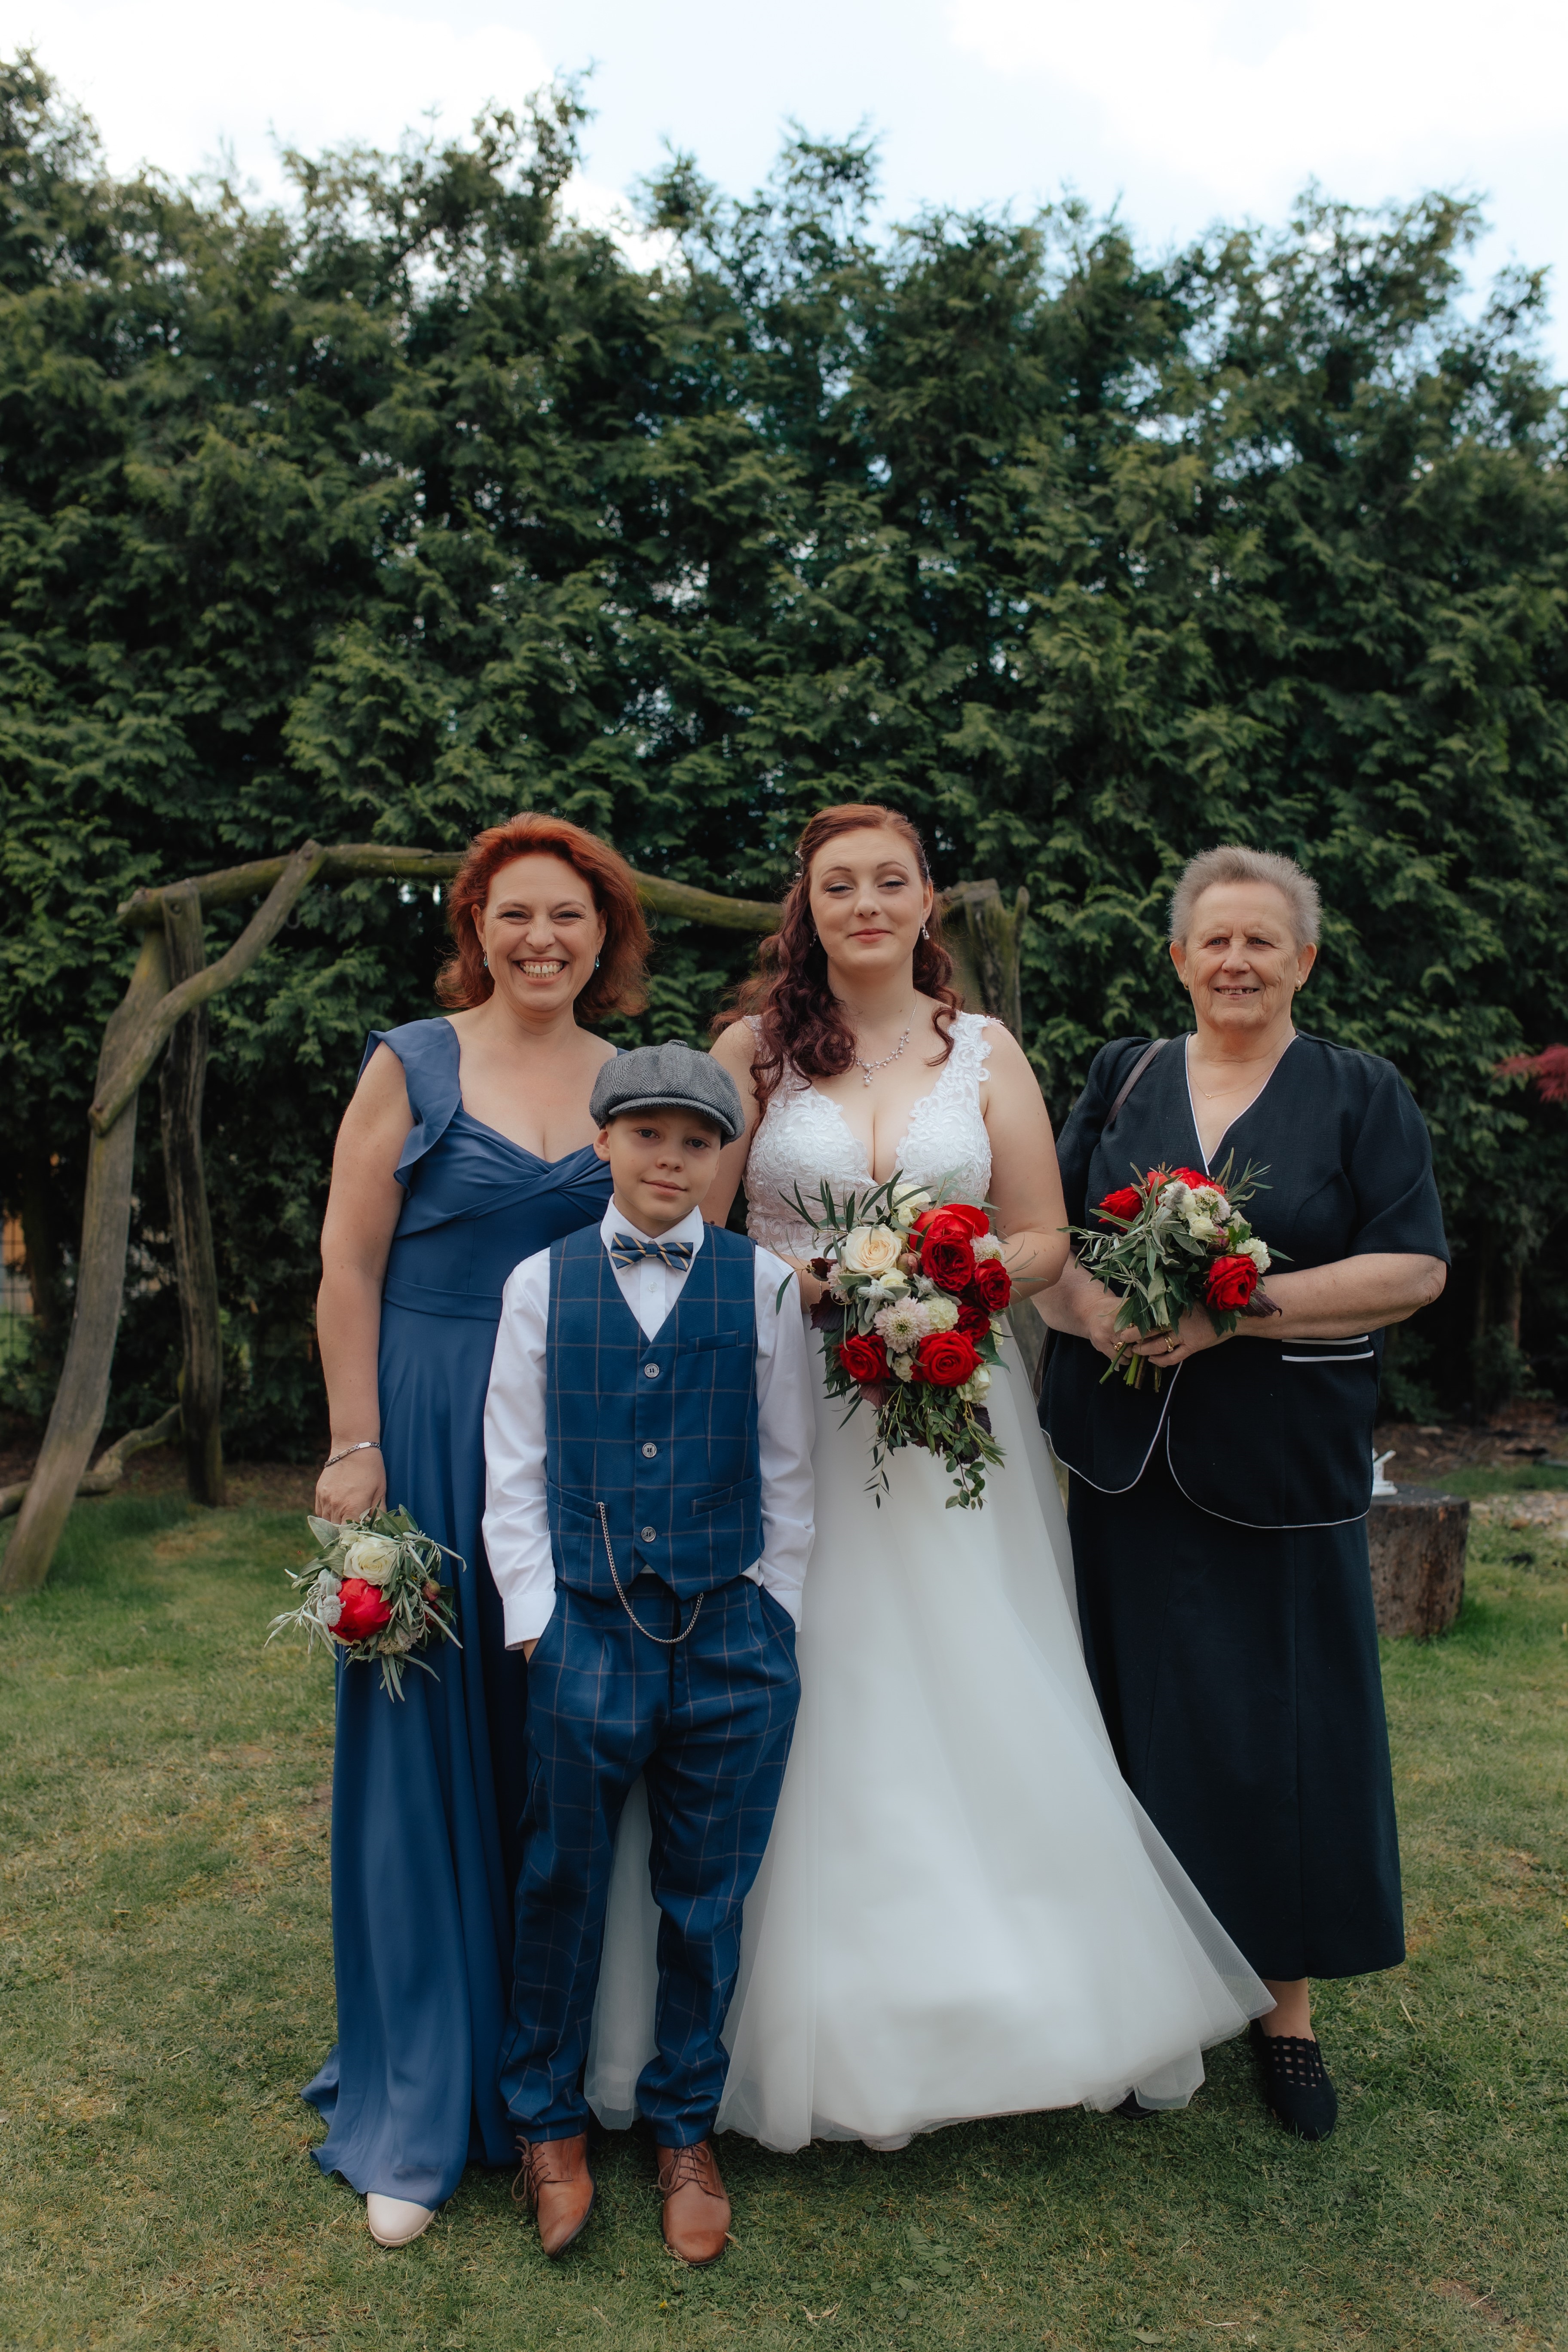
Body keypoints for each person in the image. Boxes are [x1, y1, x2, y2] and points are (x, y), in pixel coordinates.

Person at [583, 803, 1268, 2156]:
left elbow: (1042, 1231)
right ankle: (771, 2013)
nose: (865, 904)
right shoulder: (753, 1053)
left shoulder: (987, 1051)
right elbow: (688, 1227)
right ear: (808, 908)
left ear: (925, 901)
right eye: (838, 885)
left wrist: (953, 1275)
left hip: (956, 1403)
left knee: (972, 1663)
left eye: (888, 881)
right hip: (789, 1398)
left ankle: (1008, 1998)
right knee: (799, 1670)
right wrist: (816, 1281)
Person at [1038, 843, 1449, 2141]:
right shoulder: (1124, 1074)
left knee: (1286, 1735)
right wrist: (1097, 1313)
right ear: (1178, 958)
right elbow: (1048, 1235)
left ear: (1303, 961)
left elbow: (1413, 1269)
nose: (1236, 961)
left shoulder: (1360, 1091)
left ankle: (1287, 2015)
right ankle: (1146, 2007)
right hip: (1122, 1458)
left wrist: (1238, 1311)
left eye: (1262, 940)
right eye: (1213, 940)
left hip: (1280, 1461)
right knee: (1130, 1722)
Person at [303, 812, 650, 2246]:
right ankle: (420, 2092)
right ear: (475, 928)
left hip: (580, 1441)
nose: (541, 938)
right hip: (433, 1419)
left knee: (560, 1749)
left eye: (567, 914)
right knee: (421, 1750)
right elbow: (347, 1259)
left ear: (604, 934)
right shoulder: (413, 1062)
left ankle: (558, 2075)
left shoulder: (631, 1078)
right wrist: (357, 1444)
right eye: (515, 914)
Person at [481, 1043, 815, 2263]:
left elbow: (789, 1467)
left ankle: (684, 2128)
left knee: (706, 1900)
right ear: (605, 1145)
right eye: (647, 1136)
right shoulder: (541, 1284)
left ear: (722, 1158)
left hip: (732, 1635)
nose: (670, 1160)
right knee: (560, 1881)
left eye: (695, 1142)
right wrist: (537, 1620)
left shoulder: (763, 1287)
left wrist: (775, 1609)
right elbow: (513, 1470)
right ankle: (547, 2124)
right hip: (585, 1628)